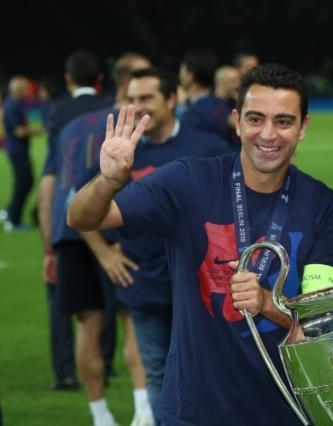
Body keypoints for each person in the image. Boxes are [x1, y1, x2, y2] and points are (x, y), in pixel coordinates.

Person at [67, 64, 333, 425]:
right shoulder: (188, 181)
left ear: (303, 127)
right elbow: (82, 218)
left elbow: (320, 323)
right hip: (193, 411)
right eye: (256, 119)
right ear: (237, 121)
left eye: (284, 121)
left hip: (284, 412)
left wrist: (267, 304)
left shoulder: (322, 205)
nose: (268, 134)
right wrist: (108, 181)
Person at [81, 67, 230, 422]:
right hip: (145, 283)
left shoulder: (207, 146)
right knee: (158, 375)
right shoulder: (119, 152)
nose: (137, 106)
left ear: (171, 99)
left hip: (202, 287)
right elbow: (83, 206)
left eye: (146, 98)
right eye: (131, 99)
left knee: (211, 371)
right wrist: (104, 252)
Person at [36, 50, 114, 394]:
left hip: (68, 224)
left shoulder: (59, 114)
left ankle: (67, 372)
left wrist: (48, 244)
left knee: (70, 307)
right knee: (118, 303)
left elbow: (50, 179)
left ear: (68, 79)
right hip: (109, 217)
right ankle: (107, 365)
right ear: (100, 80)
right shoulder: (112, 108)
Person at [2, 75, 41, 231]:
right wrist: (35, 131)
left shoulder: (14, 104)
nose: (29, 91)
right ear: (17, 90)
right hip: (17, 151)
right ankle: (13, 219)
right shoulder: (12, 106)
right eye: (26, 88)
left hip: (17, 151)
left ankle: (10, 212)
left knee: (24, 182)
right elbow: (18, 131)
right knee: (24, 183)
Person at [179, 48, 234, 148]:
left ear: (190, 76)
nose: (180, 75)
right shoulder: (222, 104)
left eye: (182, 71)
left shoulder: (194, 113)